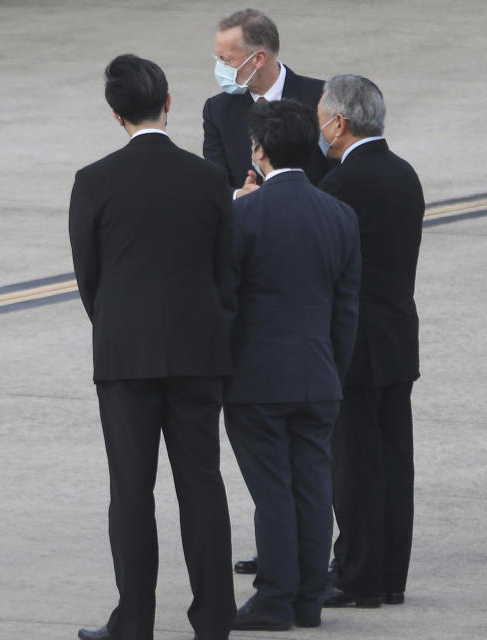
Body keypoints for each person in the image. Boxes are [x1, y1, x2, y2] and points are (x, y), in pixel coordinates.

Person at [70, 53, 237, 640]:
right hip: (198, 351)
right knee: (203, 486)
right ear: (169, 103)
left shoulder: (93, 181)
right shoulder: (209, 177)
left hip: (125, 355)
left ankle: (134, 621)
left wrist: (119, 325)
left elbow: (89, 278)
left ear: (116, 114)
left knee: (131, 492)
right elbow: (224, 273)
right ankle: (215, 618)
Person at [222, 99, 361, 631]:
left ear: (259, 150)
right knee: (313, 486)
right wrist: (332, 369)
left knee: (273, 491)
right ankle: (308, 598)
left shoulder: (244, 214)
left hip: (257, 380)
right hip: (320, 374)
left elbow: (228, 303)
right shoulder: (339, 214)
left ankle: (276, 597)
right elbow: (346, 309)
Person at [316, 75, 424, 609]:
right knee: (393, 460)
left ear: (339, 121)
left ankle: (357, 575)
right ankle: (389, 576)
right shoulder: (405, 174)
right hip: (398, 338)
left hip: (354, 343)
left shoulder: (341, 184)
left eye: (320, 115)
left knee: (354, 463)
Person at [203, 8, 330, 201]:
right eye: (218, 58)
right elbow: (214, 182)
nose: (220, 67)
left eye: (226, 60)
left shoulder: (322, 98)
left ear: (258, 59)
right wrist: (239, 195)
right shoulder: (217, 110)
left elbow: (341, 171)